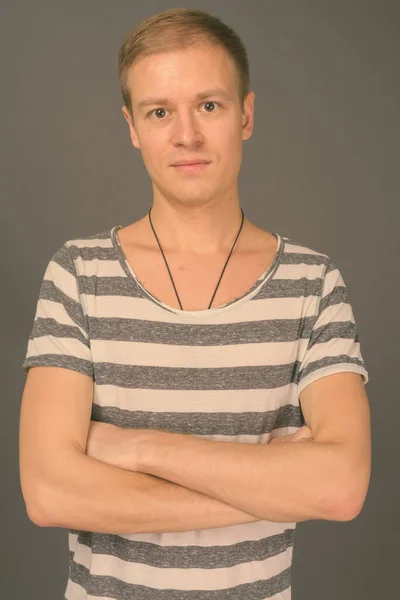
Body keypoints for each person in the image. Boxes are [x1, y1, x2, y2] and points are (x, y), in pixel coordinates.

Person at [19, 7, 371, 600]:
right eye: (160, 112)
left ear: (246, 115)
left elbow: (339, 486)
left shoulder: (314, 283)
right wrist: (266, 484)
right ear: (133, 127)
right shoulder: (78, 273)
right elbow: (51, 493)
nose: (187, 135)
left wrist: (133, 447)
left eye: (209, 105)